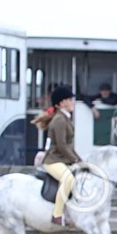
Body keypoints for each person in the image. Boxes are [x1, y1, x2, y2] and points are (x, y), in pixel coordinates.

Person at [32, 85, 80, 226]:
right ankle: (57, 214)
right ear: (61, 103)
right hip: (53, 161)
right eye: (70, 99)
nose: (72, 102)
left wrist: (81, 160)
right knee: (68, 179)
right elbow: (62, 146)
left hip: (61, 159)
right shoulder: (59, 120)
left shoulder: (66, 119)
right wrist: (74, 160)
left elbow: (70, 146)